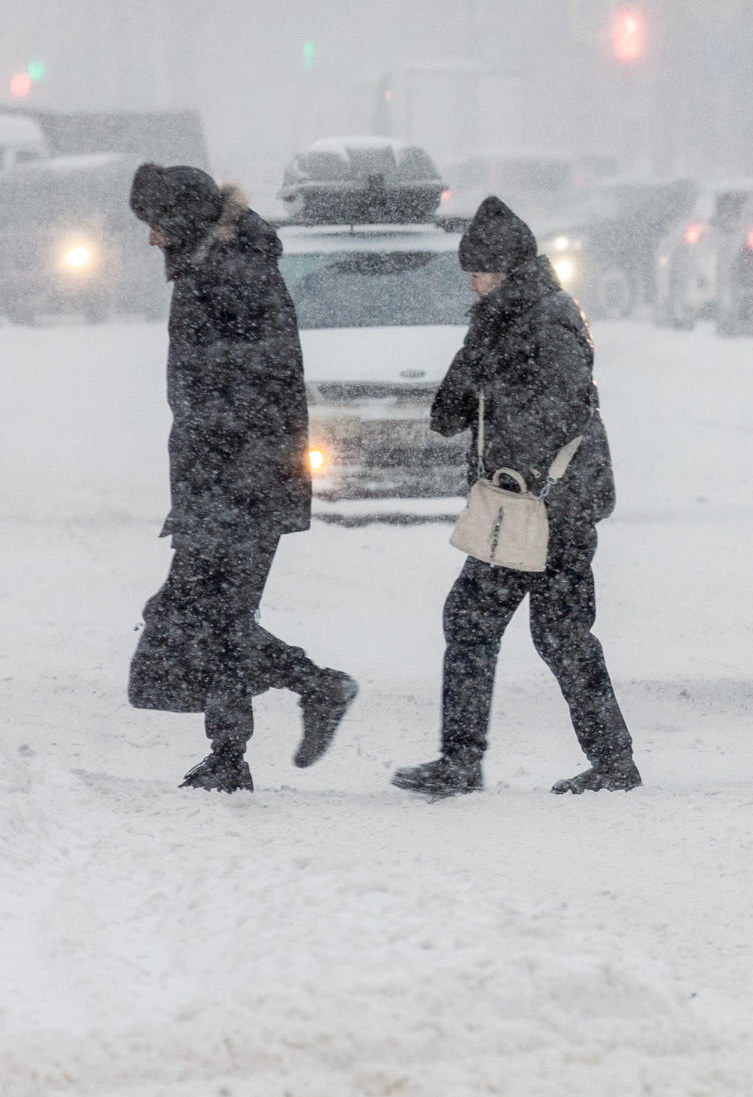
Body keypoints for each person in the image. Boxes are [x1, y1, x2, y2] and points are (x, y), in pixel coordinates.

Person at [392, 198, 636, 796]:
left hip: (544, 505)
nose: (470, 283)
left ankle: (462, 761)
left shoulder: (543, 319)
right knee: (558, 633)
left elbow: (562, 408)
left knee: (482, 622)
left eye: (477, 271)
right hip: (541, 503)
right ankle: (611, 761)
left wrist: (515, 472)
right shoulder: (503, 317)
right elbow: (451, 410)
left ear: (502, 268)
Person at [124, 163, 355, 792]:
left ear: (179, 221)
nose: (150, 240)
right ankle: (234, 749)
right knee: (216, 618)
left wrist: (224, 480)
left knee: (214, 618)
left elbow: (258, 387)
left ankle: (312, 691)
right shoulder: (219, 268)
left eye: (153, 225)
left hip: (241, 484)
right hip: (228, 481)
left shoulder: (230, 274)